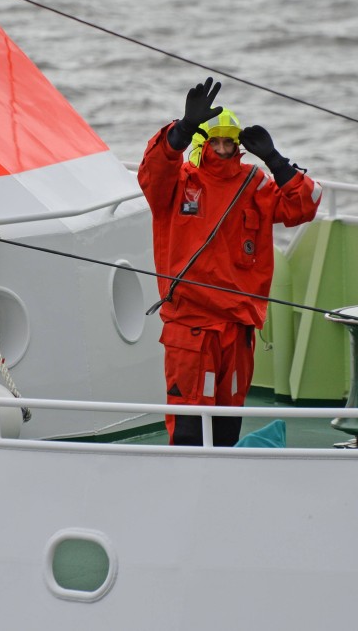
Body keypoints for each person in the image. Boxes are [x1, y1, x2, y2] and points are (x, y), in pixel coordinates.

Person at [138, 78, 321, 446]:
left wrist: (274, 159)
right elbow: (153, 170)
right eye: (215, 140)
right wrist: (182, 129)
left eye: (229, 142)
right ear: (203, 144)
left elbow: (304, 204)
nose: (222, 149)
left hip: (237, 331)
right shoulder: (178, 183)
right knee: (190, 426)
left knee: (227, 423)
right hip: (192, 329)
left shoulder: (254, 183)